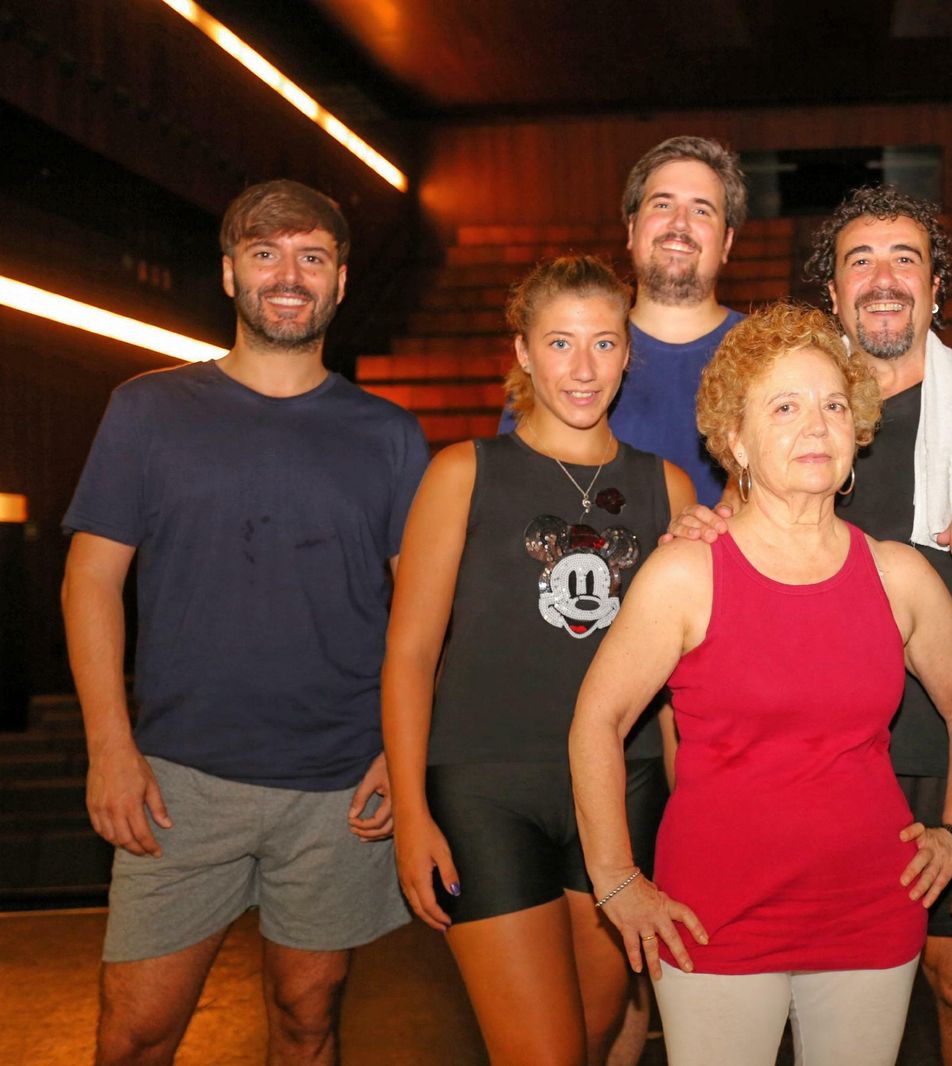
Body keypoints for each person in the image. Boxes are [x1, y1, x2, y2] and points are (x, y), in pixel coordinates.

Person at [569, 303, 952, 1066]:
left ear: (857, 429)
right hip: (713, 914)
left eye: (834, 405)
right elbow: (596, 722)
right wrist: (615, 880)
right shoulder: (686, 573)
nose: (817, 426)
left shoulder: (897, 574)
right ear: (735, 439)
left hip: (872, 908)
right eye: (785, 407)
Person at [668, 183, 952, 1066]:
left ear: (936, 287)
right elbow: (731, 564)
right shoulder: (784, 417)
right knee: (795, 998)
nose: (883, 278)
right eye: (859, 261)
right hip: (814, 765)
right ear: (831, 293)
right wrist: (697, 529)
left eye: (906, 259)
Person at [61, 180, 427, 1065]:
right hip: (178, 783)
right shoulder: (146, 410)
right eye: (265, 254)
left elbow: (426, 616)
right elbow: (89, 584)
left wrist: (402, 750)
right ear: (230, 273)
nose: (288, 276)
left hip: (339, 790)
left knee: (308, 1020)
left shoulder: (389, 434)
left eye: (312, 257)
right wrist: (109, 747)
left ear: (340, 281)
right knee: (134, 1035)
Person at [383, 257, 694, 1065]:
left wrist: (695, 814)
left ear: (628, 353)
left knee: (590, 1037)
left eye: (603, 343)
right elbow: (411, 653)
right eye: (560, 343)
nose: (583, 368)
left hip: (622, 791)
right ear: (523, 352)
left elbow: (680, 684)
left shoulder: (667, 488)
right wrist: (412, 813)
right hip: (486, 791)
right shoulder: (463, 472)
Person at [500, 135, 747, 505]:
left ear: (726, 242)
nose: (679, 224)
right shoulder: (566, 355)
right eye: (662, 204)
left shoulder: (768, 356)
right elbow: (510, 495)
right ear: (632, 228)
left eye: (701, 211)